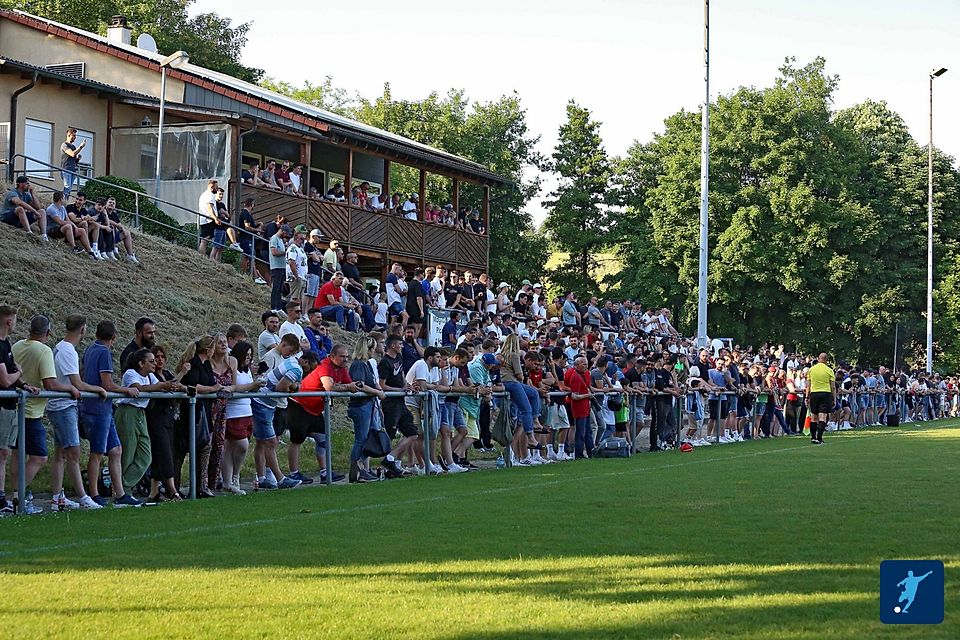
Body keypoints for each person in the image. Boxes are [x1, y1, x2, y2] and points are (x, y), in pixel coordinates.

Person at [46, 314, 108, 510]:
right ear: (83, 329)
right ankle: (83, 496)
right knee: (73, 451)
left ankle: (58, 497)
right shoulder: (67, 351)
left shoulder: (62, 348)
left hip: (59, 405)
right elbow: (77, 383)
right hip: (63, 407)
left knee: (61, 452)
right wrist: (97, 388)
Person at [79, 320, 143, 506]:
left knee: (115, 450)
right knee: (97, 452)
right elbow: (106, 383)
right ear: (114, 337)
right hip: (98, 409)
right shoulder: (104, 352)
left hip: (100, 407)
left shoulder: (90, 349)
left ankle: (120, 494)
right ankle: (94, 494)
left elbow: (85, 375)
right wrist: (126, 390)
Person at [117, 348, 179, 496]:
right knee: (128, 454)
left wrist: (174, 386)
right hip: (128, 412)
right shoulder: (131, 373)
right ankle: (123, 492)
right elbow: (140, 389)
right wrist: (162, 386)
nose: (154, 363)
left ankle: (123, 485)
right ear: (141, 363)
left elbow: (163, 386)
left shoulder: (151, 376)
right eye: (151, 361)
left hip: (141, 414)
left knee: (146, 456)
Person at [251, 334, 304, 489]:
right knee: (270, 441)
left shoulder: (285, 359)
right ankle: (279, 478)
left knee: (263, 442)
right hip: (264, 403)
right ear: (283, 344)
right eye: (290, 350)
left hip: (272, 404)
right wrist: (290, 387)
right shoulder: (270, 356)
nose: (290, 354)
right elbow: (267, 378)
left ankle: (263, 478)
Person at [173, 336, 223, 496]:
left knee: (204, 447)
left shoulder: (206, 364)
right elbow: (194, 386)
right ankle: (174, 488)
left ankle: (201, 486)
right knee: (182, 450)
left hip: (204, 412)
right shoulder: (194, 364)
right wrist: (213, 388)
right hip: (190, 413)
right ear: (209, 349)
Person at [144, 345, 186, 501]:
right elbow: (169, 386)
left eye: (162, 357)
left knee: (165, 452)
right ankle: (172, 489)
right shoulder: (152, 376)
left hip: (168, 417)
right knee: (164, 453)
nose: (160, 360)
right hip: (156, 417)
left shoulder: (166, 373)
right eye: (157, 357)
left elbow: (174, 385)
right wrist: (182, 373)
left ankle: (153, 491)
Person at [0, 305, 27, 514]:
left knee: (5, 452)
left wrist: (24, 385)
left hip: (10, 405)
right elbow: (6, 378)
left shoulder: (6, 344)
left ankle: (2, 497)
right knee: (2, 452)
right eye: (15, 319)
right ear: (8, 321)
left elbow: (12, 376)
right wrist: (18, 374)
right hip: (2, 407)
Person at [45, 191, 90, 256]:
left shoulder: (62, 207)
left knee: (81, 230)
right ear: (60, 199)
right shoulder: (51, 209)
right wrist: (72, 225)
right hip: (52, 230)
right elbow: (59, 222)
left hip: (61, 229)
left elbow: (68, 220)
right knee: (68, 226)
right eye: (64, 198)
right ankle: (74, 248)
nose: (65, 200)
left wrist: (75, 227)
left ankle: (90, 251)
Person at [2, 176, 48, 241]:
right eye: (27, 183)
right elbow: (19, 202)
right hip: (8, 218)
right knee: (20, 208)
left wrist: (32, 193)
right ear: (21, 184)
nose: (29, 185)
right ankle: (29, 233)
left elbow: (38, 207)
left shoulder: (26, 194)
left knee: (42, 211)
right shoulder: (12, 193)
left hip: (20, 220)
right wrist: (34, 211)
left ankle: (44, 235)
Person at [806, 353, 836, 445]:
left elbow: (808, 385)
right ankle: (819, 438)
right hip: (825, 393)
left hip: (814, 393)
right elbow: (833, 386)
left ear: (818, 359)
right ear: (826, 360)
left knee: (814, 416)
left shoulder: (811, 370)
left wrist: (807, 396)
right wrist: (833, 398)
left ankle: (813, 437)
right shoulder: (829, 370)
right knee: (822, 416)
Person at [269, 224, 293, 312]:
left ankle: (278, 307)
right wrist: (285, 252)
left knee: (280, 289)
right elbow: (274, 252)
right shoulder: (274, 238)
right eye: (286, 233)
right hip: (276, 267)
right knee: (276, 288)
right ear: (282, 231)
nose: (286, 235)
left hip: (281, 267)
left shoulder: (280, 240)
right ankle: (273, 307)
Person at [286, 225, 309, 310]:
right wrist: (296, 276)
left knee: (299, 298)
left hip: (302, 276)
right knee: (294, 298)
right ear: (296, 235)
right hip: (295, 277)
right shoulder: (292, 248)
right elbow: (291, 262)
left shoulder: (301, 249)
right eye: (301, 235)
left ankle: (297, 313)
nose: (303, 237)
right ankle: (291, 312)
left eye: (304, 235)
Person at [60, 127, 87, 199]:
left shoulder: (73, 146)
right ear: (69, 135)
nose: (75, 137)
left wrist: (78, 159)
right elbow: (72, 154)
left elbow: (74, 160)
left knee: (69, 188)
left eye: (75, 136)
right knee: (67, 186)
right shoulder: (64, 145)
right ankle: (63, 200)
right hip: (66, 169)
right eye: (73, 136)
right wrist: (81, 146)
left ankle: (66, 200)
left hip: (73, 170)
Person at [197, 179, 219, 257]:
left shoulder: (204, 194)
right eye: (216, 187)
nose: (217, 189)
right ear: (211, 186)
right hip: (208, 220)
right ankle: (201, 257)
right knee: (204, 240)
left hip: (206, 219)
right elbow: (209, 207)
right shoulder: (209, 195)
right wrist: (215, 218)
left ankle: (202, 256)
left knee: (205, 239)